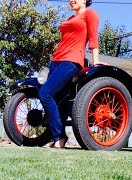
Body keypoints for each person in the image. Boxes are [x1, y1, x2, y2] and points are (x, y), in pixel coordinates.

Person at [38, 0, 99, 148]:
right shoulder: (70, 19)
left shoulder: (90, 13)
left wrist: (96, 61)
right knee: (60, 99)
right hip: (56, 60)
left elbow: (93, 38)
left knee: (45, 93)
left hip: (72, 60)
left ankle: (59, 137)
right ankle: (59, 138)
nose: (71, 0)